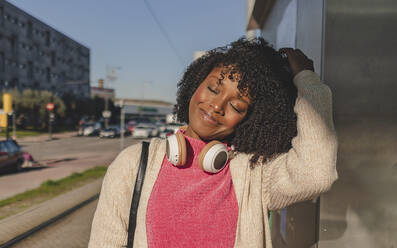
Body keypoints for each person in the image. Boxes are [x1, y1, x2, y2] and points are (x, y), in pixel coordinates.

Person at [88, 37, 338, 248]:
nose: (216, 106)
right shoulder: (133, 164)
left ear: (251, 118)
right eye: (213, 88)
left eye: (236, 106)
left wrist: (307, 82)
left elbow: (316, 173)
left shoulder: (253, 176)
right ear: (196, 83)